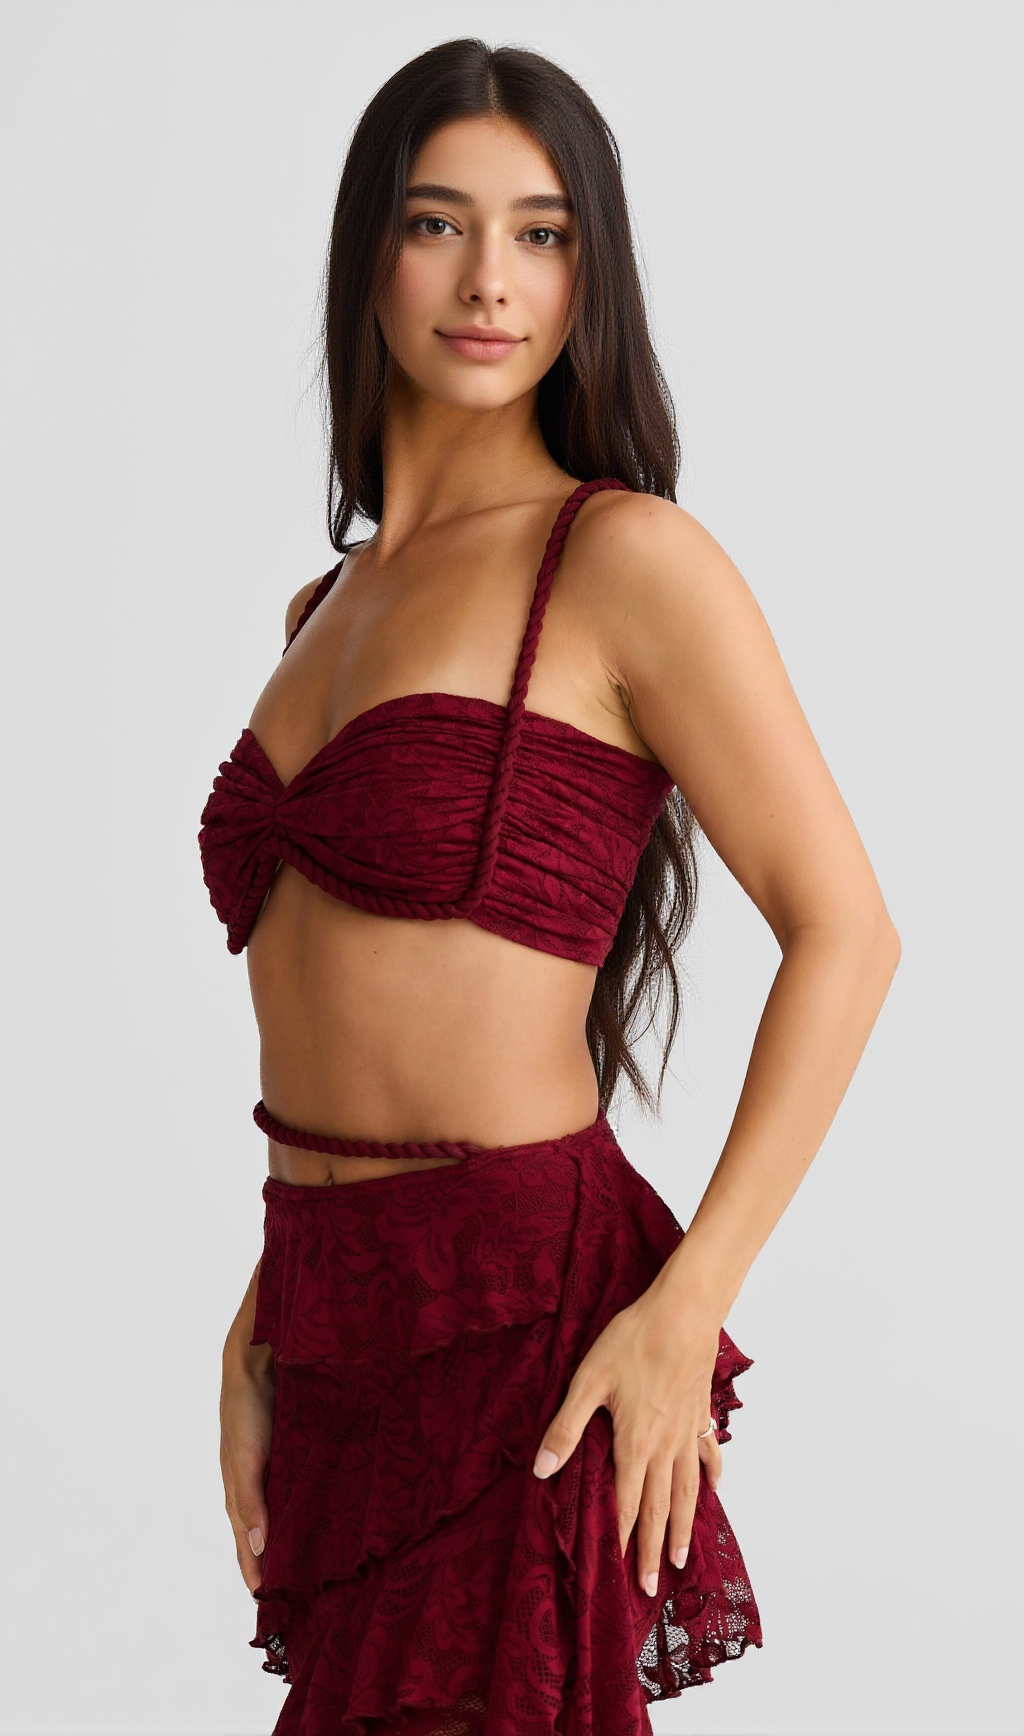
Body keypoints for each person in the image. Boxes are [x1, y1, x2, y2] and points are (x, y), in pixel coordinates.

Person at [199, 37, 901, 1736]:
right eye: (438, 224)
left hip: (532, 1325)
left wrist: (688, 1309)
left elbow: (848, 934)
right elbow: (336, 1000)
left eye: (542, 234)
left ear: (591, 275)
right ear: (371, 251)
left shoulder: (625, 559)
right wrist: (264, 1306)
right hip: (335, 1314)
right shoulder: (322, 607)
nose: (489, 283)